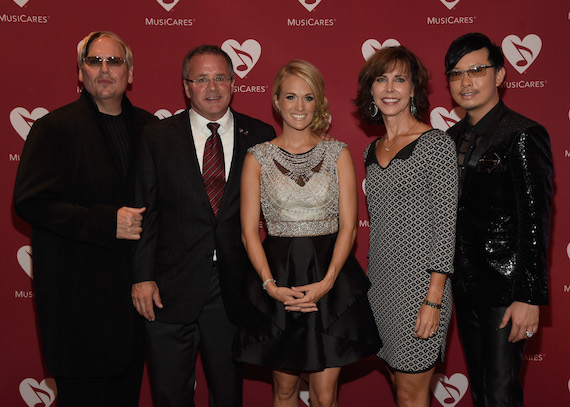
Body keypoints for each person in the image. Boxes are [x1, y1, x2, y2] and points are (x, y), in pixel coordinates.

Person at [13, 31, 156, 406]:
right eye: (94, 61)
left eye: (115, 61)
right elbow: (31, 202)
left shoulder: (152, 131)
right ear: (80, 73)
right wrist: (106, 221)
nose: (104, 69)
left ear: (130, 71)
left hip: (137, 309)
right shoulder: (53, 129)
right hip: (78, 309)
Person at [131, 45, 276, 407]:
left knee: (228, 395)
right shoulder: (156, 136)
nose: (212, 87)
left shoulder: (259, 136)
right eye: (201, 79)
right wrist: (140, 276)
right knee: (170, 394)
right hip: (166, 287)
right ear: (186, 86)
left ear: (233, 82)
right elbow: (144, 213)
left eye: (220, 77)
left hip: (232, 288)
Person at [235, 60, 380, 407]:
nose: (299, 107)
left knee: (324, 395)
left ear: (318, 102)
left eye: (308, 97)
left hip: (330, 282)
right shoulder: (257, 158)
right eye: (291, 97)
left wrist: (327, 282)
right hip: (279, 280)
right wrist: (271, 287)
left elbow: (349, 226)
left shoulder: (338, 153)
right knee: (284, 391)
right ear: (276, 101)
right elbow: (248, 234)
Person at [444, 32, 553, 407]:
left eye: (476, 70)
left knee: (501, 395)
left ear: (501, 75)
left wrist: (527, 296)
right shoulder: (450, 137)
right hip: (465, 286)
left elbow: (535, 221)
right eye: (456, 74)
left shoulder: (522, 134)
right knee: (481, 393)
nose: (466, 81)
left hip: (506, 291)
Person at [355, 46, 458, 406]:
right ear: (371, 89)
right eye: (381, 79)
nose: (390, 88)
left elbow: (446, 227)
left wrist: (433, 301)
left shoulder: (436, 145)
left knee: (412, 395)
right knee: (400, 389)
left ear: (414, 89)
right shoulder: (372, 150)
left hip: (421, 289)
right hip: (381, 287)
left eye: (400, 79)